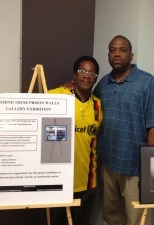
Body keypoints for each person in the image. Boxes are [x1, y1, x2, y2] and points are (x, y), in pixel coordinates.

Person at [94, 35, 154, 225]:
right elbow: (87, 107)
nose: (117, 53)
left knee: (137, 220)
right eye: (112, 49)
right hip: (108, 165)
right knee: (111, 218)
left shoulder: (147, 83)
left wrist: (148, 168)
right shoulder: (103, 84)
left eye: (122, 50)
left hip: (135, 169)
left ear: (131, 55)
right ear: (108, 54)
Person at [49, 55, 103, 225]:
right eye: (82, 71)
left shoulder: (98, 105)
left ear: (95, 78)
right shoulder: (56, 96)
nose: (86, 75)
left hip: (88, 183)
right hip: (58, 182)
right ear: (74, 75)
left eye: (91, 73)